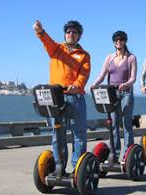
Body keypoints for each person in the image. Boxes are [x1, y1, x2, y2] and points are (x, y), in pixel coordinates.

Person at [33, 20, 91, 174]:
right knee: (57, 133)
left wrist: (77, 86)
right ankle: (59, 167)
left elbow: (84, 74)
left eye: (74, 32)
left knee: (78, 133)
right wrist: (40, 31)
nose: (71, 34)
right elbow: (47, 41)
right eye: (68, 32)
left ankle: (78, 168)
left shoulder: (84, 55)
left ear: (79, 36)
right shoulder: (56, 49)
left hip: (75, 97)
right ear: (65, 34)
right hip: (56, 98)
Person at [91, 31, 137, 161]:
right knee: (113, 124)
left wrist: (126, 84)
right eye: (116, 40)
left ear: (125, 41)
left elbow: (133, 78)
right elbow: (102, 74)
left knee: (126, 123)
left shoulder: (131, 58)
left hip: (126, 92)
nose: (119, 42)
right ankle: (115, 153)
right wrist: (94, 84)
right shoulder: (109, 58)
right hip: (111, 93)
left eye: (121, 39)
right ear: (114, 42)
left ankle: (127, 154)